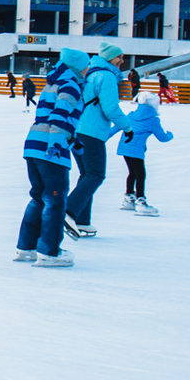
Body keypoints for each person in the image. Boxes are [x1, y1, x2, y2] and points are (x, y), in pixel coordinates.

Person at [14, 46, 90, 266]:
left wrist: (72, 140)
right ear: (77, 67)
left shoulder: (53, 83)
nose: (87, 71)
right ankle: (49, 251)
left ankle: (26, 248)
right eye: (86, 67)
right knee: (55, 200)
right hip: (49, 148)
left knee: (38, 197)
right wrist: (58, 142)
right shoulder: (71, 85)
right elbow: (59, 116)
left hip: (34, 144)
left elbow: (47, 117)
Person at [64, 43, 133, 239]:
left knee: (87, 174)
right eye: (118, 57)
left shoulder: (90, 73)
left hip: (77, 129)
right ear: (109, 58)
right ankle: (69, 211)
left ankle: (81, 221)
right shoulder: (107, 76)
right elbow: (111, 108)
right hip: (91, 132)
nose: (121, 61)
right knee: (95, 174)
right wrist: (127, 127)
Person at [118, 92, 174, 216]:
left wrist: (103, 137)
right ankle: (140, 201)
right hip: (136, 150)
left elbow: (117, 126)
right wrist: (170, 135)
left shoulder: (131, 115)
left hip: (124, 148)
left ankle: (129, 199)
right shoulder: (153, 120)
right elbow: (162, 138)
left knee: (132, 173)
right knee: (140, 174)